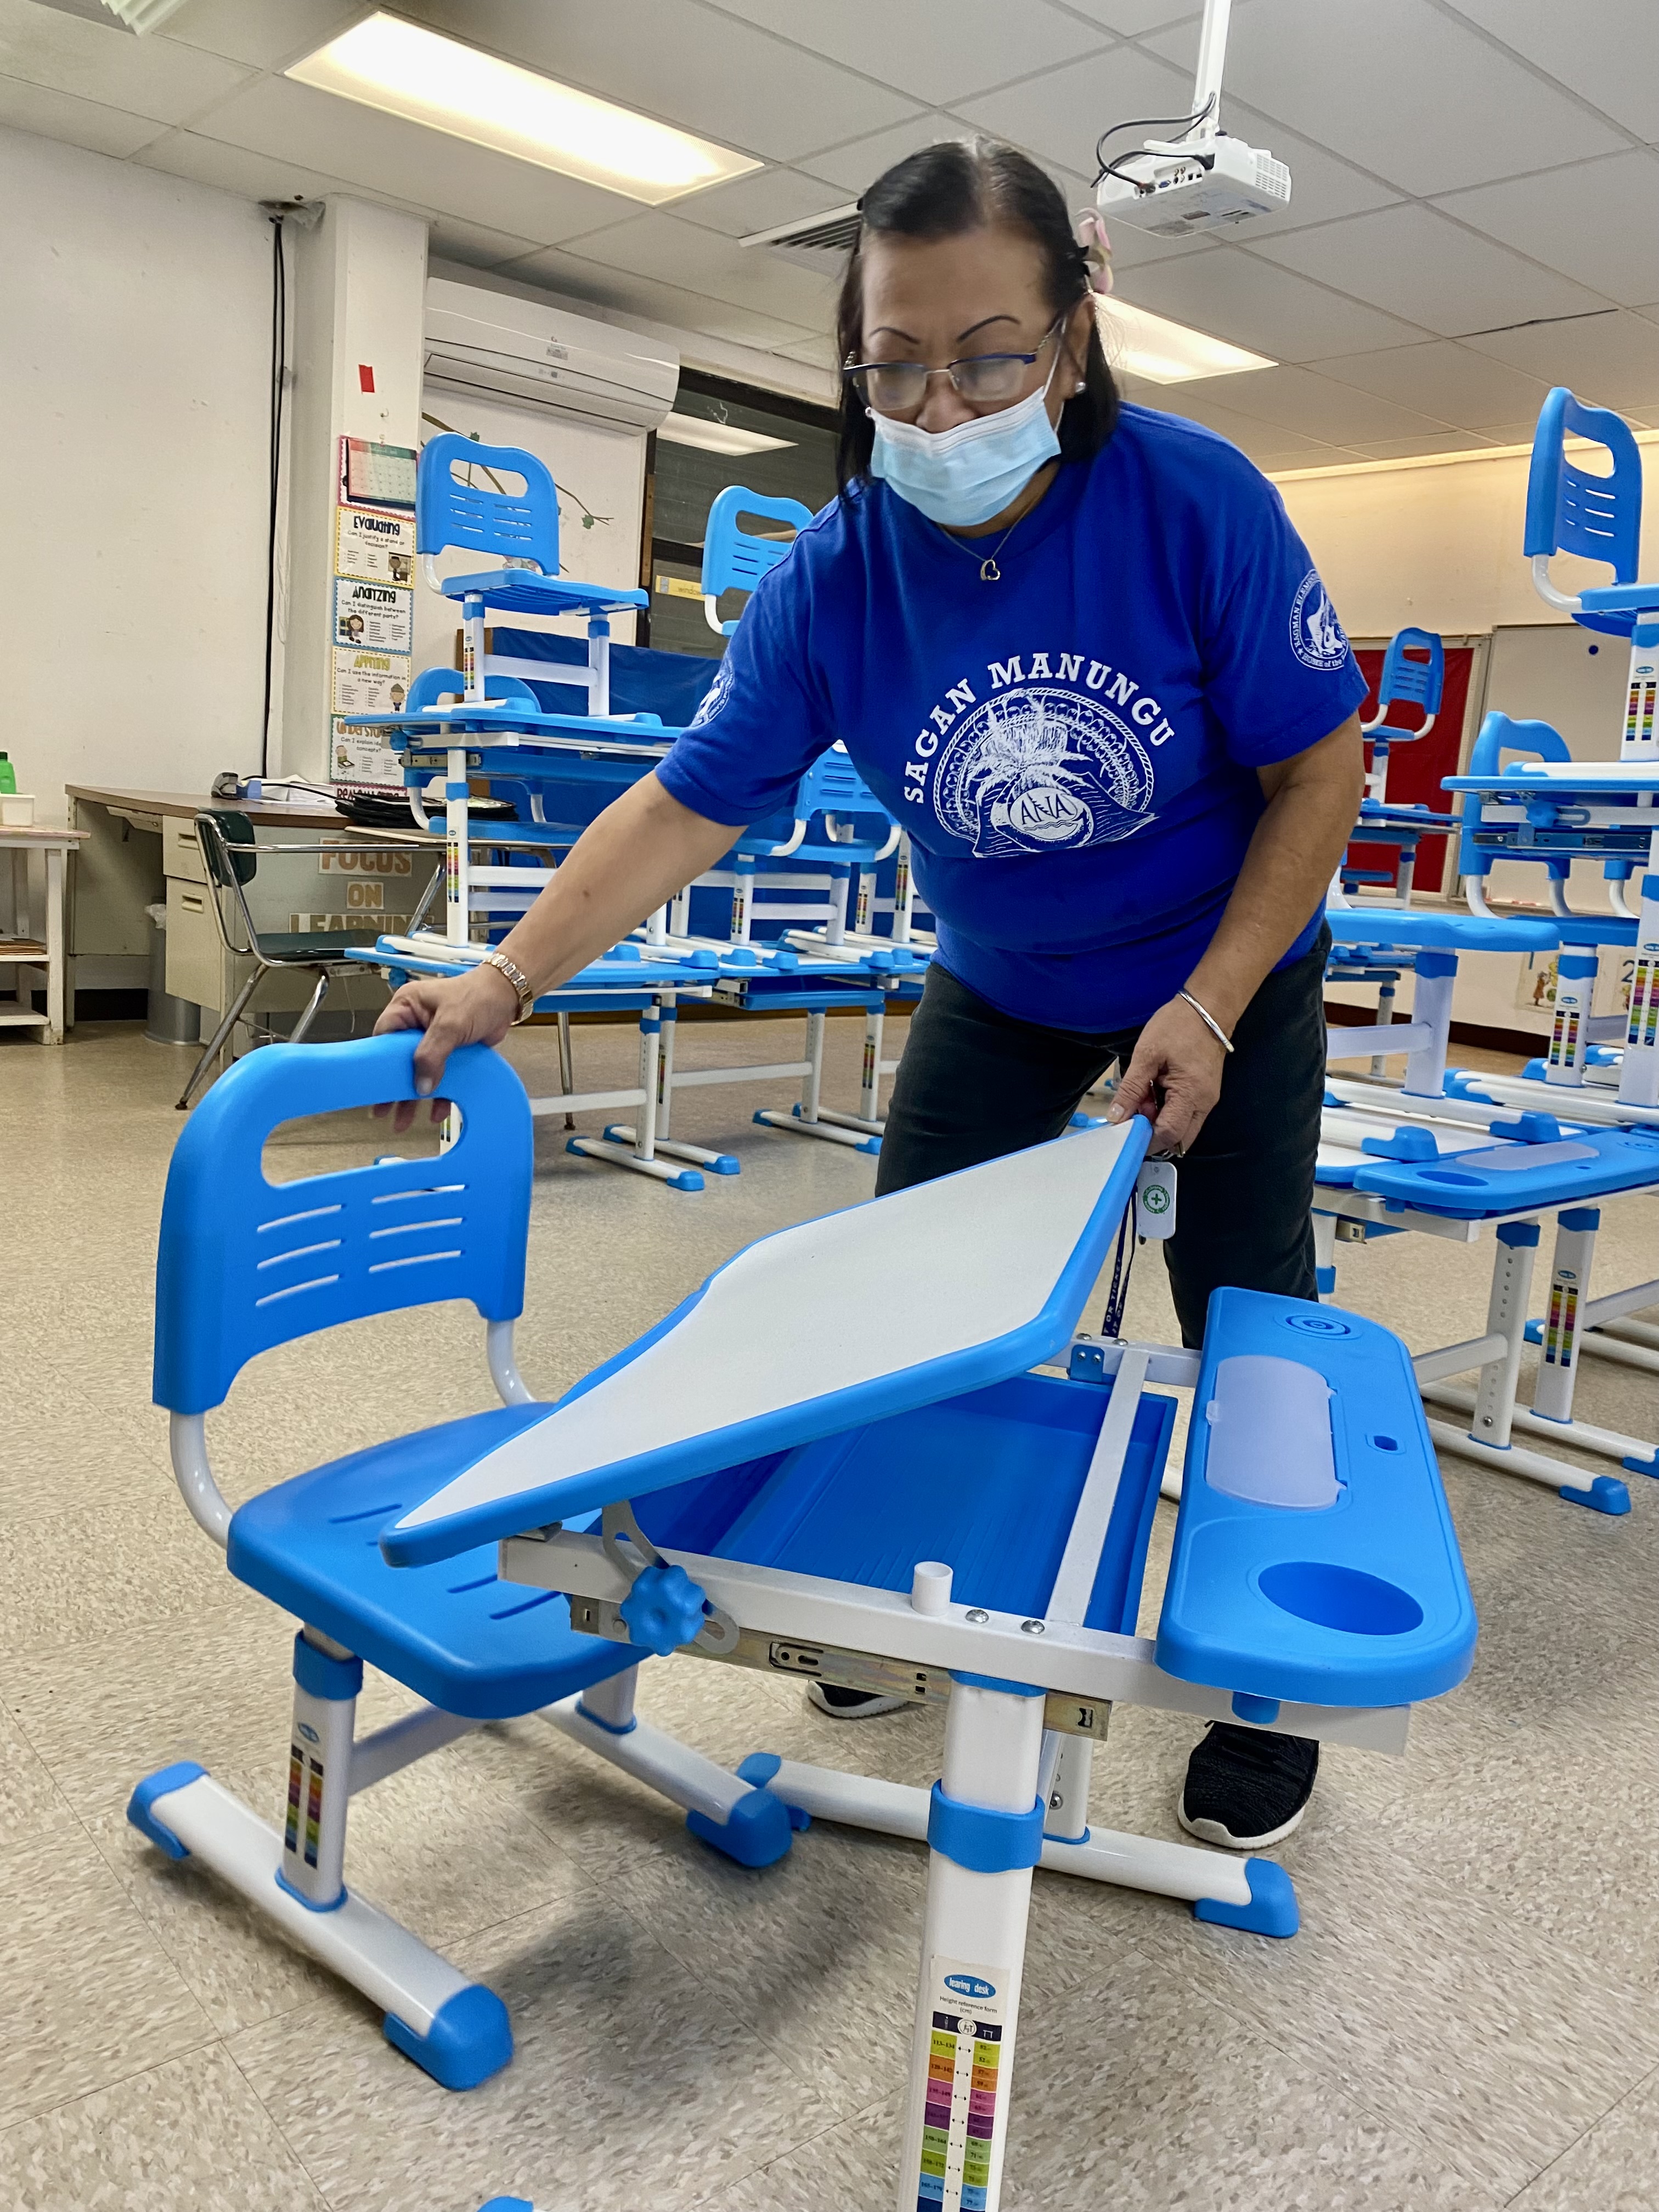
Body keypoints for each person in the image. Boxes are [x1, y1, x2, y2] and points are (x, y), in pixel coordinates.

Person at [376, 139, 1367, 1852]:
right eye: (894, 359)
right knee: (920, 1288)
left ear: (1075, 324)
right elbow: (693, 801)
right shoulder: (836, 574)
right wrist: (509, 976)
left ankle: (1261, 1682)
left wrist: (1207, 1006)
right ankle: (904, 1603)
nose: (939, 397)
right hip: (1004, 984)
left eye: (987, 353)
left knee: (1246, 1306)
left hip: (1228, 981)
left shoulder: (1194, 503)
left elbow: (1321, 771)